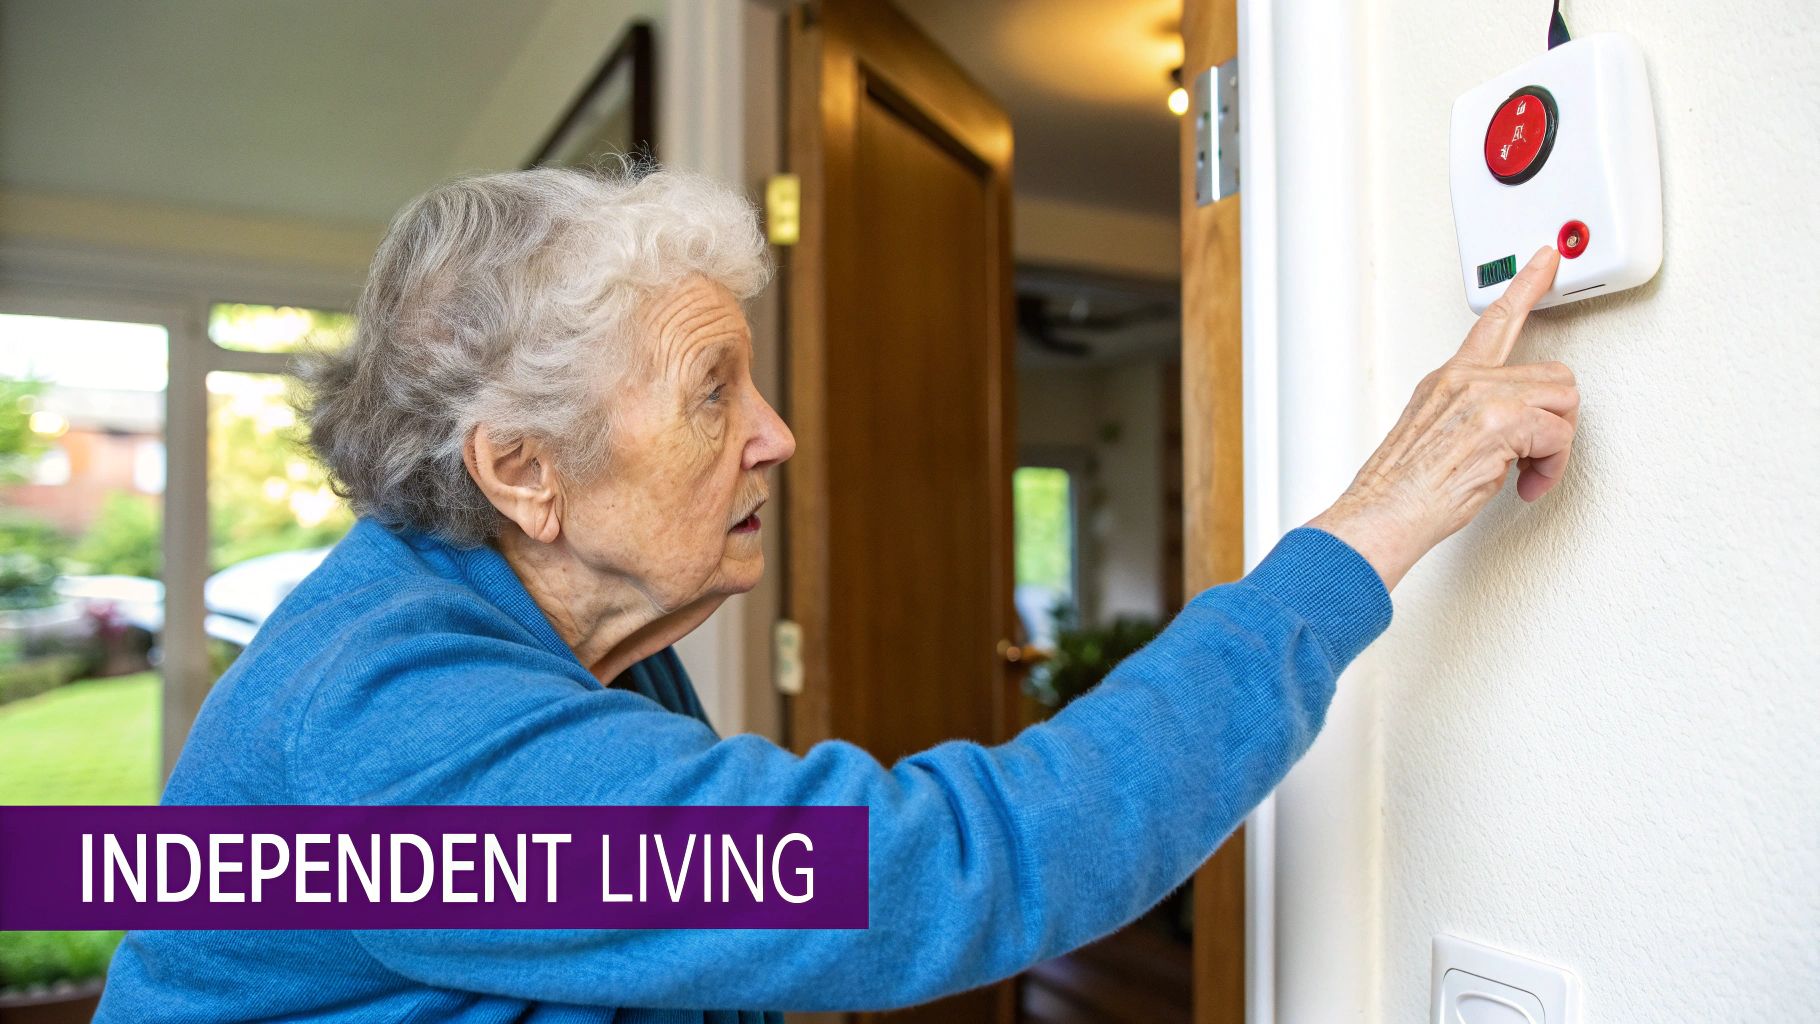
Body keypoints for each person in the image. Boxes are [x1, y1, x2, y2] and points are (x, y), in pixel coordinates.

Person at [94, 165, 1576, 1022]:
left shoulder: (556, 622)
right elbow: (942, 868)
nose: (775, 434)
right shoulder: (394, 729)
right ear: (523, 471)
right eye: (710, 391)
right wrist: (1366, 533)